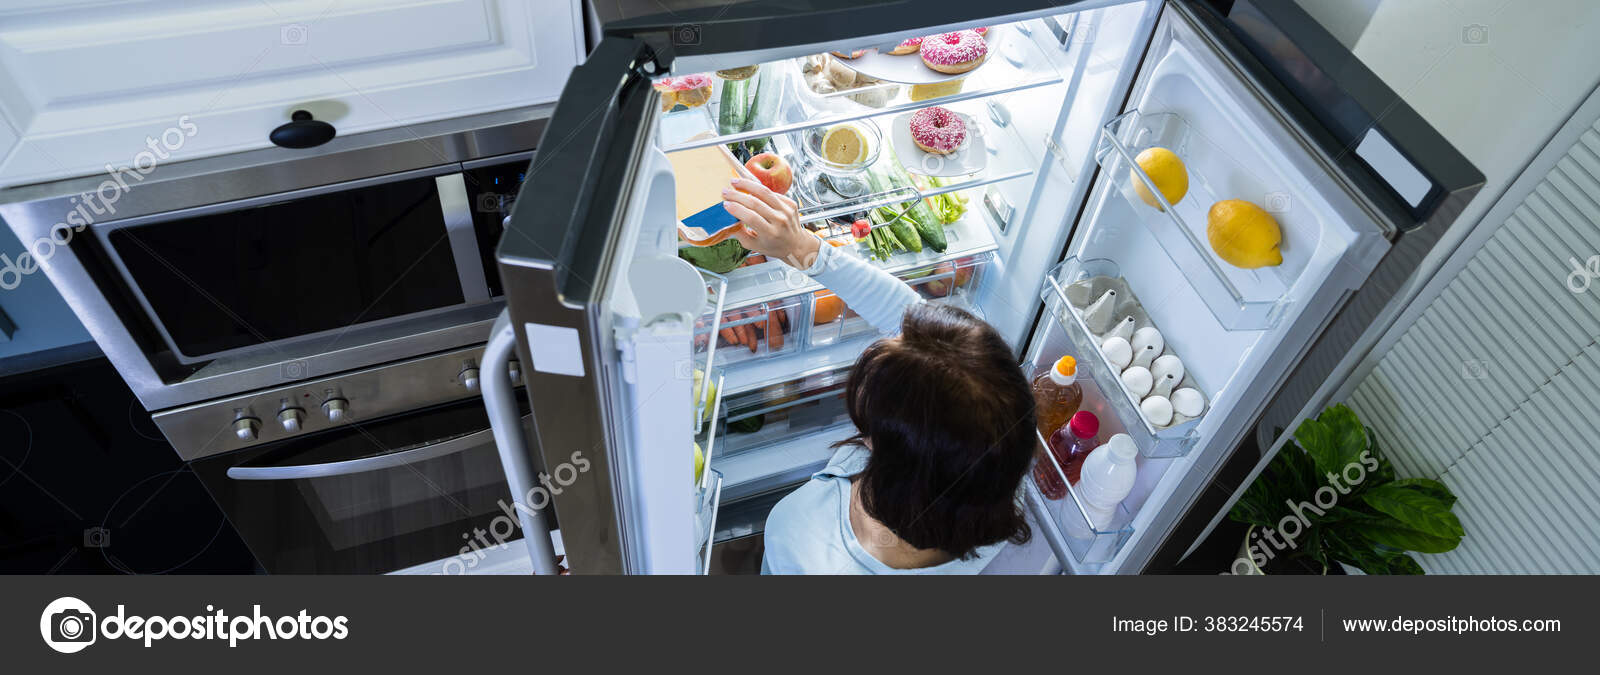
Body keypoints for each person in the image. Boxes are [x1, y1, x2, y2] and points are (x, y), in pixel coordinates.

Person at [720, 177, 1037, 574]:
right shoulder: (995, 483)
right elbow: (907, 313)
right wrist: (804, 250)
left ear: (882, 451)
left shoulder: (800, 535)